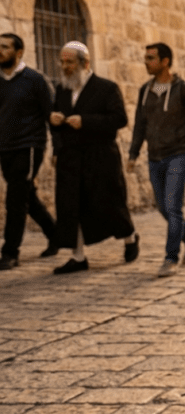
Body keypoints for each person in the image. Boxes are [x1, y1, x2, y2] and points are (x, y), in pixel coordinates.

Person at [49, 41, 140, 275]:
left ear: (85, 63)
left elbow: (119, 119)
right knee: (71, 206)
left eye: (69, 62)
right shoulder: (62, 89)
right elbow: (56, 126)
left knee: (111, 204)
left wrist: (86, 121)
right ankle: (78, 257)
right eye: (62, 61)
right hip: (71, 158)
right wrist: (56, 123)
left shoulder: (107, 88)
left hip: (100, 157)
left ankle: (130, 238)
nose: (64, 66)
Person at [127, 42, 185, 278]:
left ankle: (171, 257)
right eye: (145, 58)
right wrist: (133, 153)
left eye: (151, 58)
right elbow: (140, 125)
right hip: (155, 157)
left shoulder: (184, 90)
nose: (146, 62)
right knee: (164, 208)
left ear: (165, 61)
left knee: (173, 206)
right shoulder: (145, 91)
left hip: (179, 154)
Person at [0, 33, 58, 269]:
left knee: (15, 198)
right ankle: (56, 234)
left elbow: (51, 115)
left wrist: (56, 148)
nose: (0, 51)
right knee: (26, 196)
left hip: (30, 146)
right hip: (5, 147)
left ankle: (10, 252)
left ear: (19, 52)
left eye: (4, 47)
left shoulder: (35, 80)